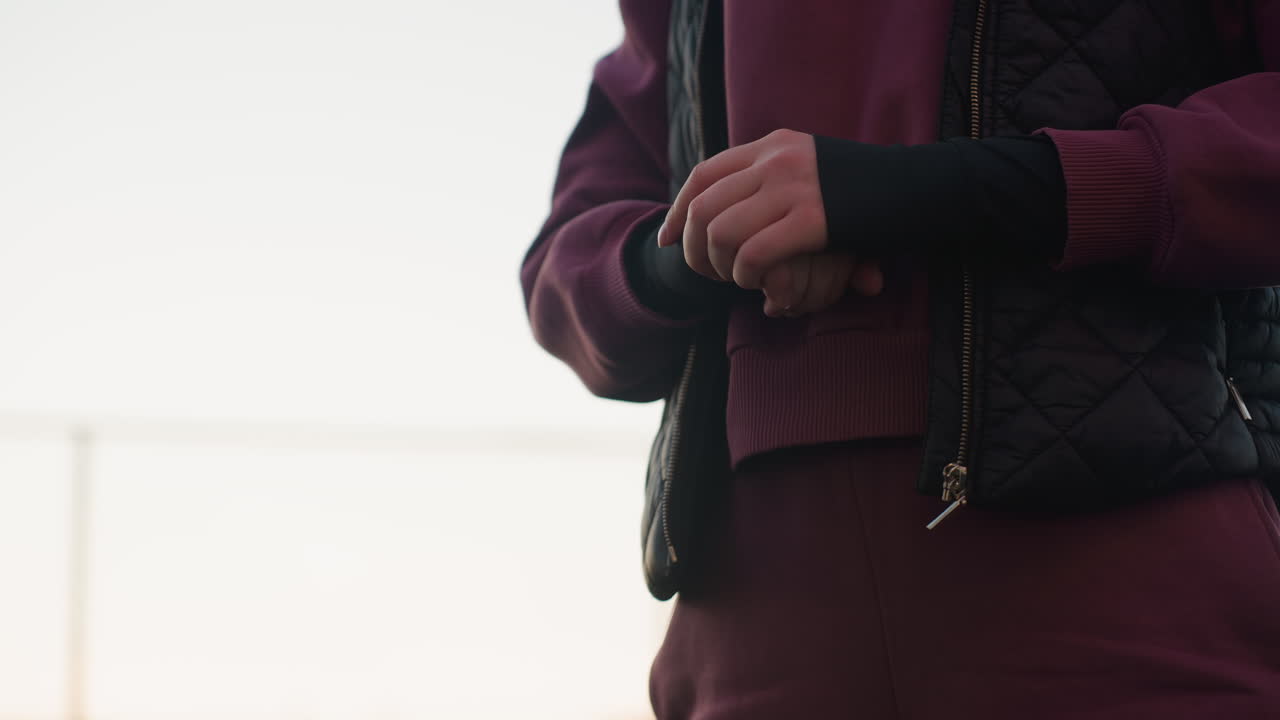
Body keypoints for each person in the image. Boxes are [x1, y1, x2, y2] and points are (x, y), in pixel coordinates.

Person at [522, 1, 1280, 717]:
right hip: (746, 606)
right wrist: (708, 245)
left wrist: (927, 194)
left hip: (1128, 565)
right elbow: (569, 260)